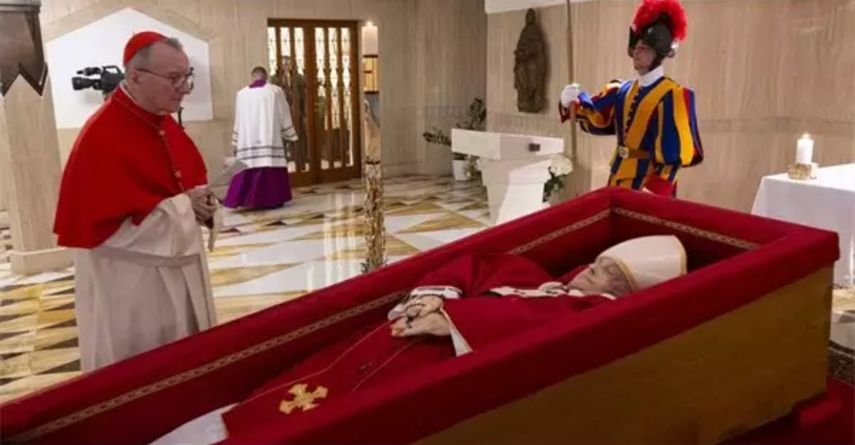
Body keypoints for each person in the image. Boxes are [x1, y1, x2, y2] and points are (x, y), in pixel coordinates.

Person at [152, 235, 687, 444]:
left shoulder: (593, 314)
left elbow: (552, 336)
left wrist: (458, 322)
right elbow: (477, 265)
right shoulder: (545, 279)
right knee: (298, 383)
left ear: (625, 293)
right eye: (593, 263)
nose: (586, 273)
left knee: (328, 417)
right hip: (394, 337)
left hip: (432, 367)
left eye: (604, 273)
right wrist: (432, 297)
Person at [53, 32, 219, 371]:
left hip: (178, 264)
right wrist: (184, 207)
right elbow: (106, 234)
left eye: (187, 76)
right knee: (143, 368)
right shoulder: (101, 136)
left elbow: (186, 185)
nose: (184, 87)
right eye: (174, 78)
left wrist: (203, 205)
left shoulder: (162, 122)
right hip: (132, 281)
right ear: (135, 77)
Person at [559, 0, 703, 197]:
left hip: (647, 187)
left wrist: (654, 190)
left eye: (644, 48)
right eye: (636, 47)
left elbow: (674, 156)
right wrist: (571, 102)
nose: (637, 51)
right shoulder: (622, 90)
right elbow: (598, 120)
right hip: (617, 178)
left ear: (658, 53)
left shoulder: (673, 95)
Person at [223, 66, 298, 209]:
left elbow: (238, 118)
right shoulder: (275, 91)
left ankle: (245, 199)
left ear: (252, 77)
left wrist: (236, 140)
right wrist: (289, 134)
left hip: (248, 139)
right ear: (266, 77)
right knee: (268, 162)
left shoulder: (242, 94)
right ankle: (271, 199)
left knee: (247, 166)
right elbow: (283, 113)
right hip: (268, 136)